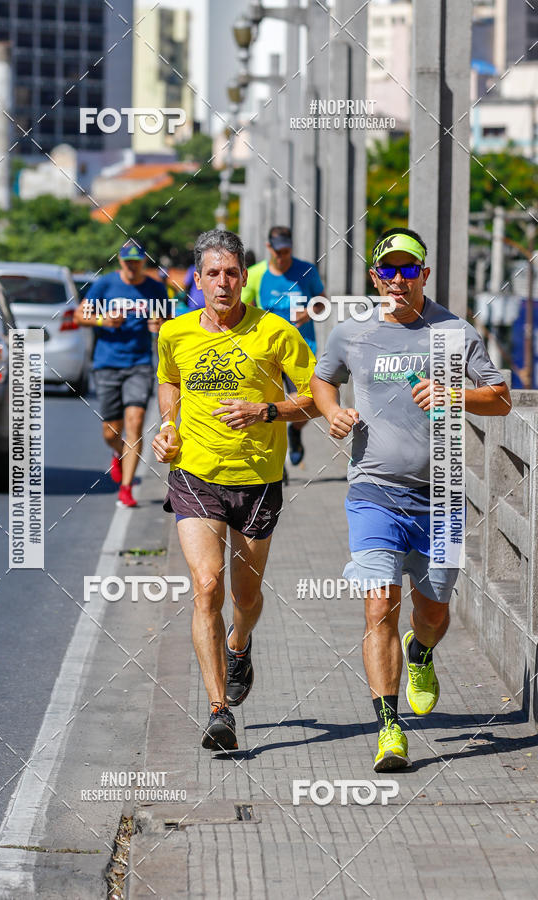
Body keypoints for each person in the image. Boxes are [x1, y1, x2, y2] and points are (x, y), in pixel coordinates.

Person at [311, 227, 511, 771]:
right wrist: (332, 412)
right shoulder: (352, 332)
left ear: (423, 273)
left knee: (433, 610)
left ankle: (420, 652)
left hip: (441, 495)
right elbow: (322, 380)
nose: (397, 279)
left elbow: (500, 400)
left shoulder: (453, 332)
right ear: (375, 276)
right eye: (388, 269)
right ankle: (389, 729)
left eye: (407, 269)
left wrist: (454, 393)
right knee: (380, 606)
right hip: (374, 491)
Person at [152, 229, 318, 751]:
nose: (222, 282)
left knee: (246, 597)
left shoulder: (275, 331)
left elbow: (317, 396)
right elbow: (169, 380)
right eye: (212, 273)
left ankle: (239, 644)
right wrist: (168, 425)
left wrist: (266, 410)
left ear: (245, 277)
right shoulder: (175, 332)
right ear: (197, 281)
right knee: (207, 587)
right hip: (194, 474)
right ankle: (218, 712)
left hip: (258, 479)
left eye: (231, 273)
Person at [75, 240, 167, 508]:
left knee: (135, 421)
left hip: (139, 363)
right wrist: (103, 320)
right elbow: (79, 316)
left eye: (137, 262)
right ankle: (119, 452)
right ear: (120, 260)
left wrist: (160, 324)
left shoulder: (155, 288)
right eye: (128, 262)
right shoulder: (105, 285)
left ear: (144, 261)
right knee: (110, 432)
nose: (132, 267)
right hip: (107, 363)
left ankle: (126, 489)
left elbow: (169, 321)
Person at [242, 225, 325, 466]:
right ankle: (276, 459)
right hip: (265, 351)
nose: (282, 256)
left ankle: (295, 431)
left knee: (310, 402)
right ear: (269, 247)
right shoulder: (256, 274)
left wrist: (309, 312)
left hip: (301, 349)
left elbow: (323, 302)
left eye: (286, 251)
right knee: (267, 405)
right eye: (278, 252)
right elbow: (241, 307)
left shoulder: (306, 271)